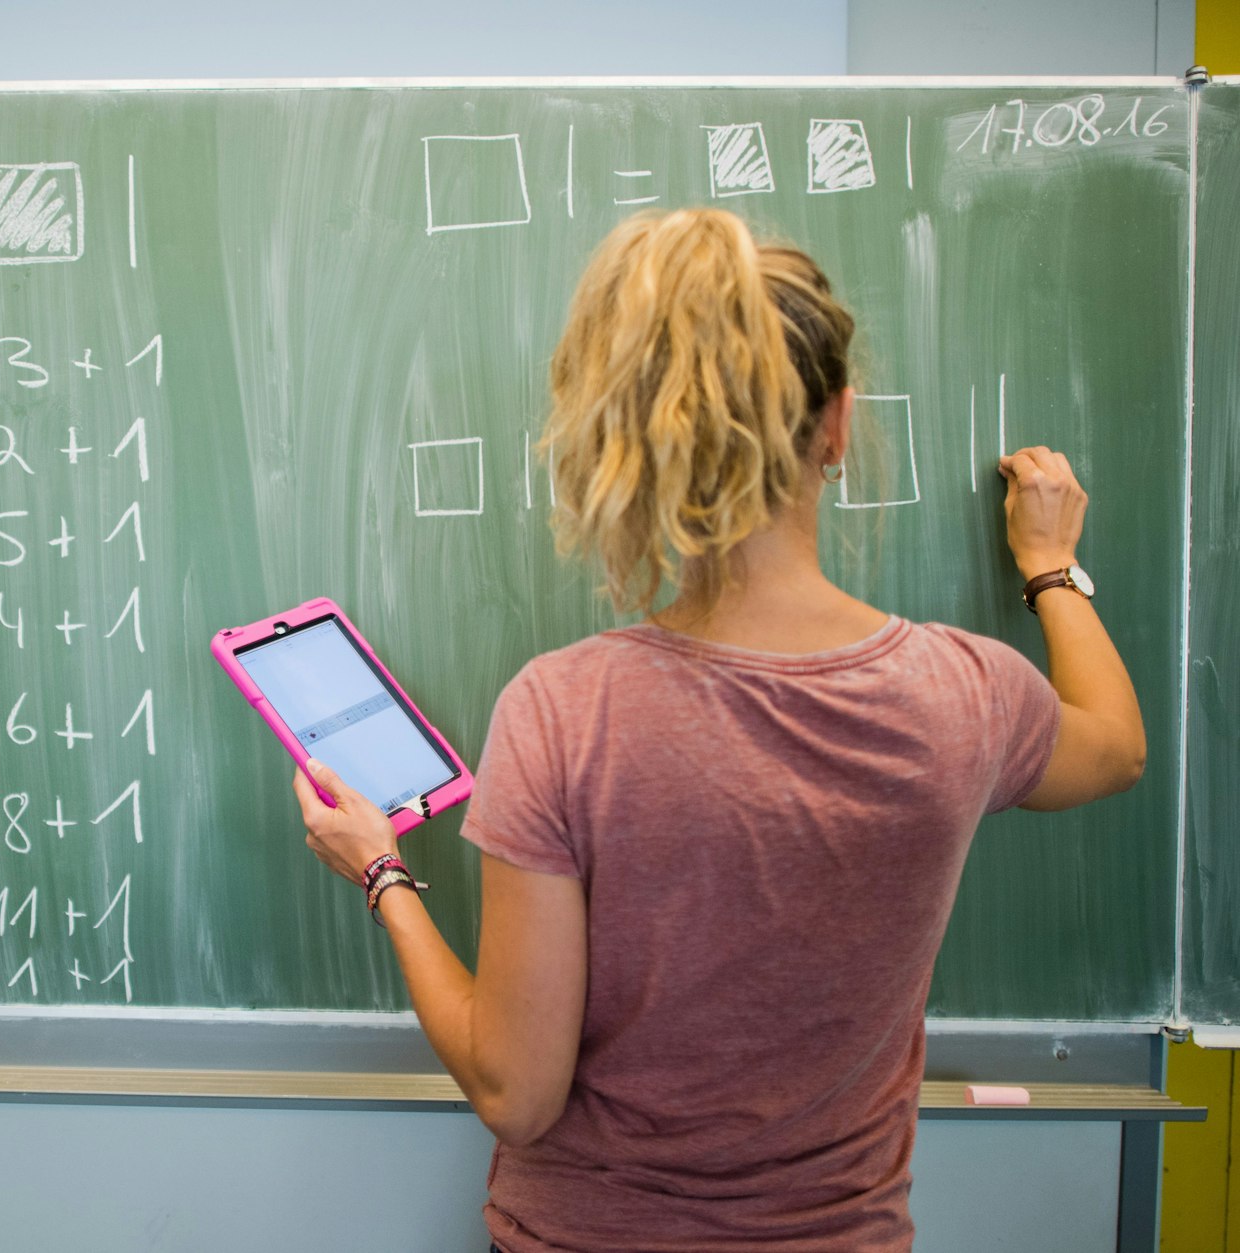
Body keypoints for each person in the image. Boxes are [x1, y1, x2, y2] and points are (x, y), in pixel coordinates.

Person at [290, 208, 1145, 1252]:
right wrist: (1048, 563)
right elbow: (1115, 743)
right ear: (835, 424)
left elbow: (516, 1092)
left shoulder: (565, 711)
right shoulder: (960, 691)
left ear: (631, 440)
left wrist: (381, 873)